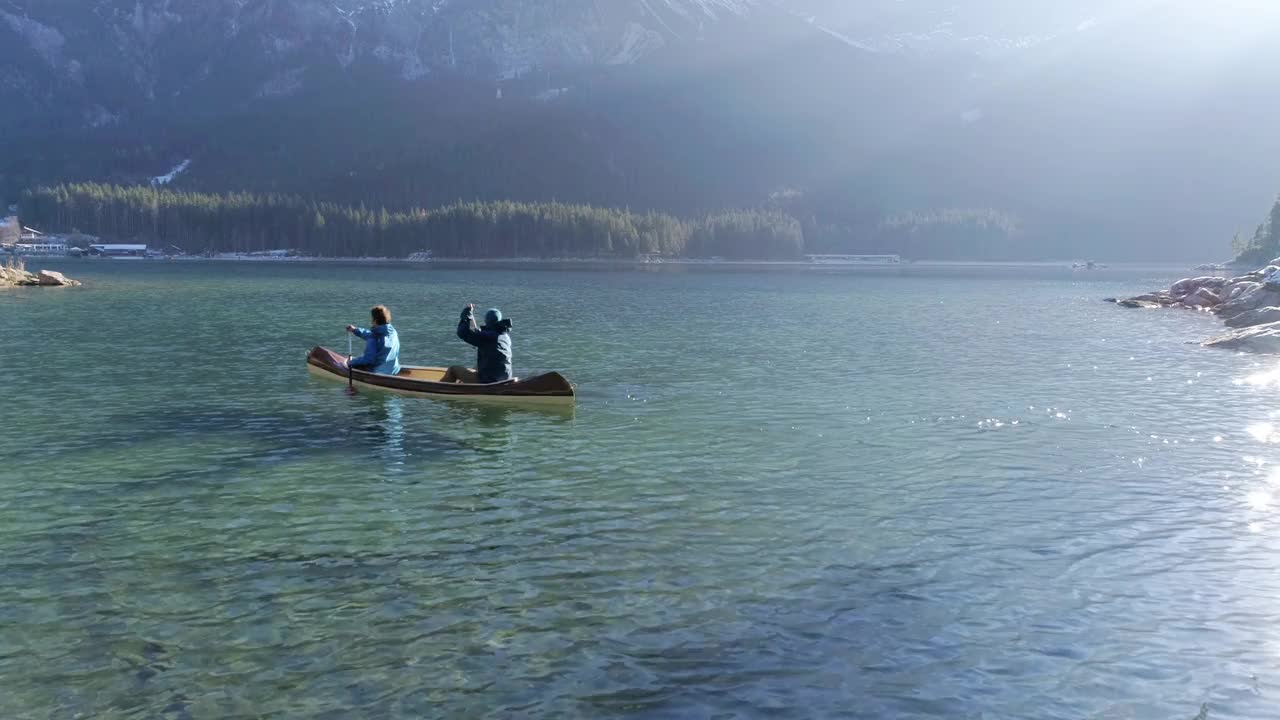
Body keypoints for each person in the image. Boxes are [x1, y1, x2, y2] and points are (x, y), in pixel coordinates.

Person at [441, 304, 513, 384]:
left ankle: (438, 389)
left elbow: (463, 333)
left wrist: (466, 315)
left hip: (489, 380)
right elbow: (477, 333)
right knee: (477, 367)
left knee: (453, 370)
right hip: (505, 378)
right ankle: (463, 385)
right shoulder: (505, 336)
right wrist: (470, 316)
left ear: (486, 320)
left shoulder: (487, 337)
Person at [346, 305, 402, 376]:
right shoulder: (393, 332)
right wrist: (355, 330)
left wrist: (350, 362)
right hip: (394, 370)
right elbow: (370, 335)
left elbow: (368, 359)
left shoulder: (374, 337)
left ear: (375, 320)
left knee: (360, 364)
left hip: (378, 373)